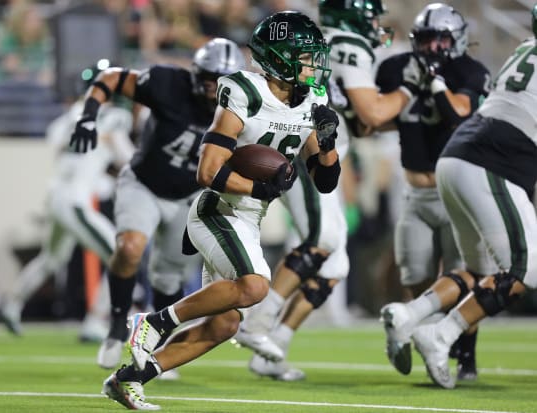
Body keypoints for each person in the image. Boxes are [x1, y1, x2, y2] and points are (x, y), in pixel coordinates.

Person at [98, 11, 342, 410]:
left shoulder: (313, 99)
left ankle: (128, 380)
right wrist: (259, 186)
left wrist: (328, 144)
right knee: (255, 286)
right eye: (306, 56)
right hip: (218, 209)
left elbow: (325, 181)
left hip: (250, 217)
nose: (314, 65)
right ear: (279, 58)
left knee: (226, 323)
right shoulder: (244, 90)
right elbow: (208, 170)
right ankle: (153, 322)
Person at [234, 0, 413, 381]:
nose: (376, 23)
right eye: (371, 14)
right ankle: (257, 323)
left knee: (335, 267)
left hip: (328, 154)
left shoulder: (324, 46)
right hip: (307, 153)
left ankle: (272, 350)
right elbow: (372, 113)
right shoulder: (347, 42)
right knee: (322, 237)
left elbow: (360, 122)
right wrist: (409, 91)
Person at [69, 38, 246, 371]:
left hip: (190, 198)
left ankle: (156, 348)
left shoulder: (243, 107)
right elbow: (112, 78)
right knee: (130, 247)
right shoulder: (168, 84)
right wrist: (88, 116)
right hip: (144, 184)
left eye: (221, 81)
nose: (213, 88)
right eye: (209, 78)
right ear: (196, 73)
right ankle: (117, 324)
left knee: (167, 281)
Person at [406, 3, 537, 389]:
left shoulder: (526, 48)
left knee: (480, 268)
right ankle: (440, 335)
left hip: (460, 157)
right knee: (523, 269)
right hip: (492, 160)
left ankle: (412, 317)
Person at [377, 2, 490, 380]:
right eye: (427, 39)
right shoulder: (395, 68)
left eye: (441, 39)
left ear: (456, 39)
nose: (434, 48)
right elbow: (376, 117)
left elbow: (458, 114)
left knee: (463, 275)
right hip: (413, 191)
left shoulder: (470, 71)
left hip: (457, 192)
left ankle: (467, 358)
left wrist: (437, 81)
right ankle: (429, 338)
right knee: (417, 278)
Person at [0, 60, 136, 340]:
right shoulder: (116, 117)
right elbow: (128, 157)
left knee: (52, 258)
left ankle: (11, 304)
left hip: (57, 195)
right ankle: (96, 320)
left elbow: (55, 139)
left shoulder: (73, 113)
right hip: (75, 200)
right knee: (121, 257)